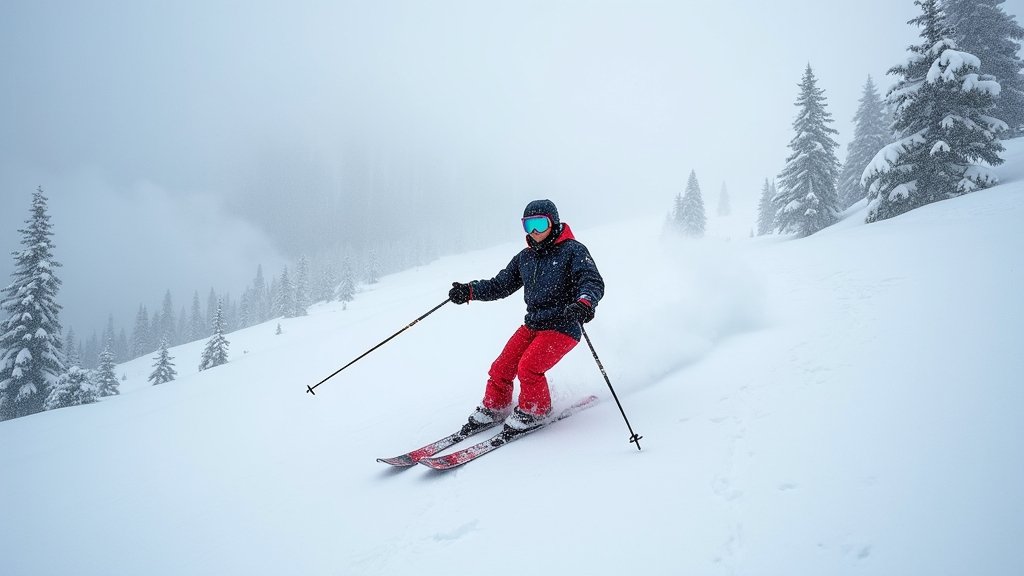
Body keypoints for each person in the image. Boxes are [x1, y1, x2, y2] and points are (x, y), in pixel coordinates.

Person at [448, 199, 605, 440]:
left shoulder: (573, 250)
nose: (534, 231)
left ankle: (535, 410)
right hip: (534, 324)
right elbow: (500, 285)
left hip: (564, 324)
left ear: (553, 223)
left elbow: (591, 280)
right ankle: (496, 406)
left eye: (540, 224)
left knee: (529, 367)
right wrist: (469, 291)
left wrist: (584, 303)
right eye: (528, 225)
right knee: (501, 367)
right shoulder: (525, 257)